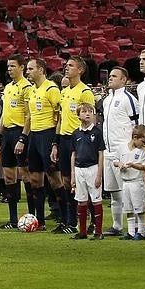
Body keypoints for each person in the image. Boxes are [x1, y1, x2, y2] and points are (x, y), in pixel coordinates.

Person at [52, 57, 94, 233]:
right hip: (64, 139)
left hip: (78, 139)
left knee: (82, 182)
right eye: (66, 65)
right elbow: (61, 118)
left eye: (70, 66)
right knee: (66, 182)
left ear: (80, 70)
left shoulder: (85, 92)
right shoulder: (65, 92)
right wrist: (55, 143)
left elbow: (90, 119)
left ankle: (91, 218)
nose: (66, 68)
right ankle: (70, 220)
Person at [100, 65, 139, 236]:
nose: (110, 78)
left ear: (124, 80)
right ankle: (117, 226)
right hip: (109, 151)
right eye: (110, 76)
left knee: (127, 190)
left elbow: (136, 124)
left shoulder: (129, 99)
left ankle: (136, 226)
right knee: (114, 191)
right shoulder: (107, 100)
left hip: (122, 150)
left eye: (115, 76)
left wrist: (131, 148)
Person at [23, 57, 60, 231]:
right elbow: (29, 116)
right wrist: (24, 137)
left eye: (30, 69)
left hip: (48, 134)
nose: (27, 72)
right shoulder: (32, 91)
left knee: (54, 178)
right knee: (35, 179)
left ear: (41, 70)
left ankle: (66, 217)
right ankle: (40, 221)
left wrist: (55, 141)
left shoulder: (52, 89)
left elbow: (59, 116)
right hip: (34, 137)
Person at [0, 54, 32, 230]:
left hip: (19, 133)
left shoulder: (27, 87)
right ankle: (12, 219)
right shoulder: (8, 87)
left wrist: (23, 138)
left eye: (12, 66)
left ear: (22, 67)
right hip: (8, 134)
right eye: (8, 66)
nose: (9, 69)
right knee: (9, 176)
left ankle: (33, 215)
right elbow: (4, 114)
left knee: (25, 174)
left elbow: (28, 115)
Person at [70, 103, 105, 240]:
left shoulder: (97, 133)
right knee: (81, 200)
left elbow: (101, 154)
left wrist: (99, 175)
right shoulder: (76, 133)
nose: (88, 114)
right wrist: (73, 174)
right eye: (84, 111)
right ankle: (82, 231)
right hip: (79, 169)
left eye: (91, 111)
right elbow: (73, 154)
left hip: (92, 168)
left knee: (96, 200)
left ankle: (98, 231)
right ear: (78, 115)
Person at [117, 125, 145, 240]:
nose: (144, 144)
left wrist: (132, 165)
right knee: (128, 208)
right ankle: (131, 232)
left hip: (137, 182)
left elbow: (144, 166)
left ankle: (141, 232)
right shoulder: (122, 148)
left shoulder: (142, 152)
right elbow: (115, 161)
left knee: (139, 208)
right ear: (135, 137)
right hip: (125, 182)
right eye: (143, 141)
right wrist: (120, 164)